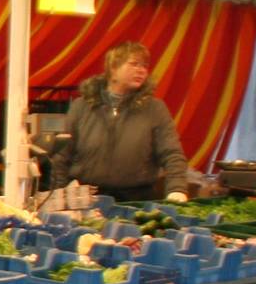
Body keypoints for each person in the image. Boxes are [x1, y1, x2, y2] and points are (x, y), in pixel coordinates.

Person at [51, 40, 192, 202]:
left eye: (144, 66)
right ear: (113, 68)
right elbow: (61, 155)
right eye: (134, 64)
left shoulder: (155, 109)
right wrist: (59, 195)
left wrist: (177, 189)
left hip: (137, 201)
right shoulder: (81, 106)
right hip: (87, 199)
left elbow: (172, 153)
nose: (141, 70)